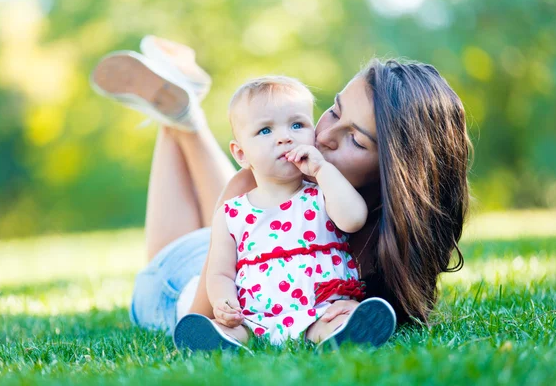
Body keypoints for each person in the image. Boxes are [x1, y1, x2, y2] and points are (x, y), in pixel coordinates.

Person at [90, 36, 470, 349]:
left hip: (250, 253)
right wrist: (227, 314)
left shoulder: (382, 229)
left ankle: (182, 105)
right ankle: (182, 114)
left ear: (396, 171)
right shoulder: (251, 186)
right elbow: (201, 311)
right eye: (334, 112)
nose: (322, 138)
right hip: (178, 282)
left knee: (206, 147)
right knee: (221, 179)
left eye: (354, 138)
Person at [171, 75, 392, 351]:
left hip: (318, 312)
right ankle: (217, 340)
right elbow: (220, 273)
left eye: (297, 125)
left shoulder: (323, 193)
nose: (285, 137)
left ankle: (342, 334)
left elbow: (353, 218)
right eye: (265, 131)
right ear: (241, 154)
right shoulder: (232, 213)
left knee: (335, 320)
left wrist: (322, 170)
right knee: (231, 330)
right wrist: (223, 303)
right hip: (253, 316)